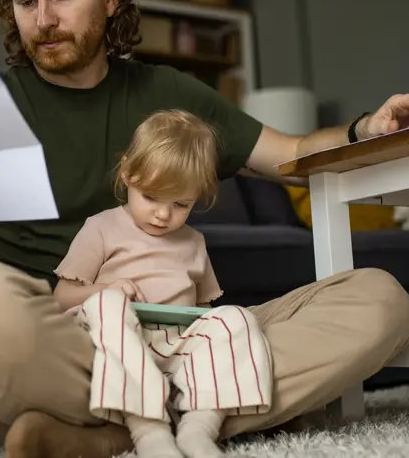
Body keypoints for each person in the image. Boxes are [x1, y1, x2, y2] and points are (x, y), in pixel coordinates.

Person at [0, 0, 409, 456]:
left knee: (380, 300)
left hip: (176, 345)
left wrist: (364, 129)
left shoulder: (168, 92)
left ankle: (105, 437)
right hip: (57, 350)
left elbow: (290, 157)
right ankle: (205, 413)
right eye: (26, 2)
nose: (43, 18)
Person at [53, 109, 273, 458]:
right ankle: (150, 435)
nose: (163, 214)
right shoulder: (101, 227)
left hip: (171, 341)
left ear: (197, 195)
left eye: (180, 204)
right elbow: (62, 297)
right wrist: (106, 290)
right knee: (108, 305)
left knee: (236, 318)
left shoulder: (193, 242)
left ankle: (198, 430)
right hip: (111, 337)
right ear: (127, 173)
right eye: (151, 197)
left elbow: (203, 311)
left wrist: (211, 337)